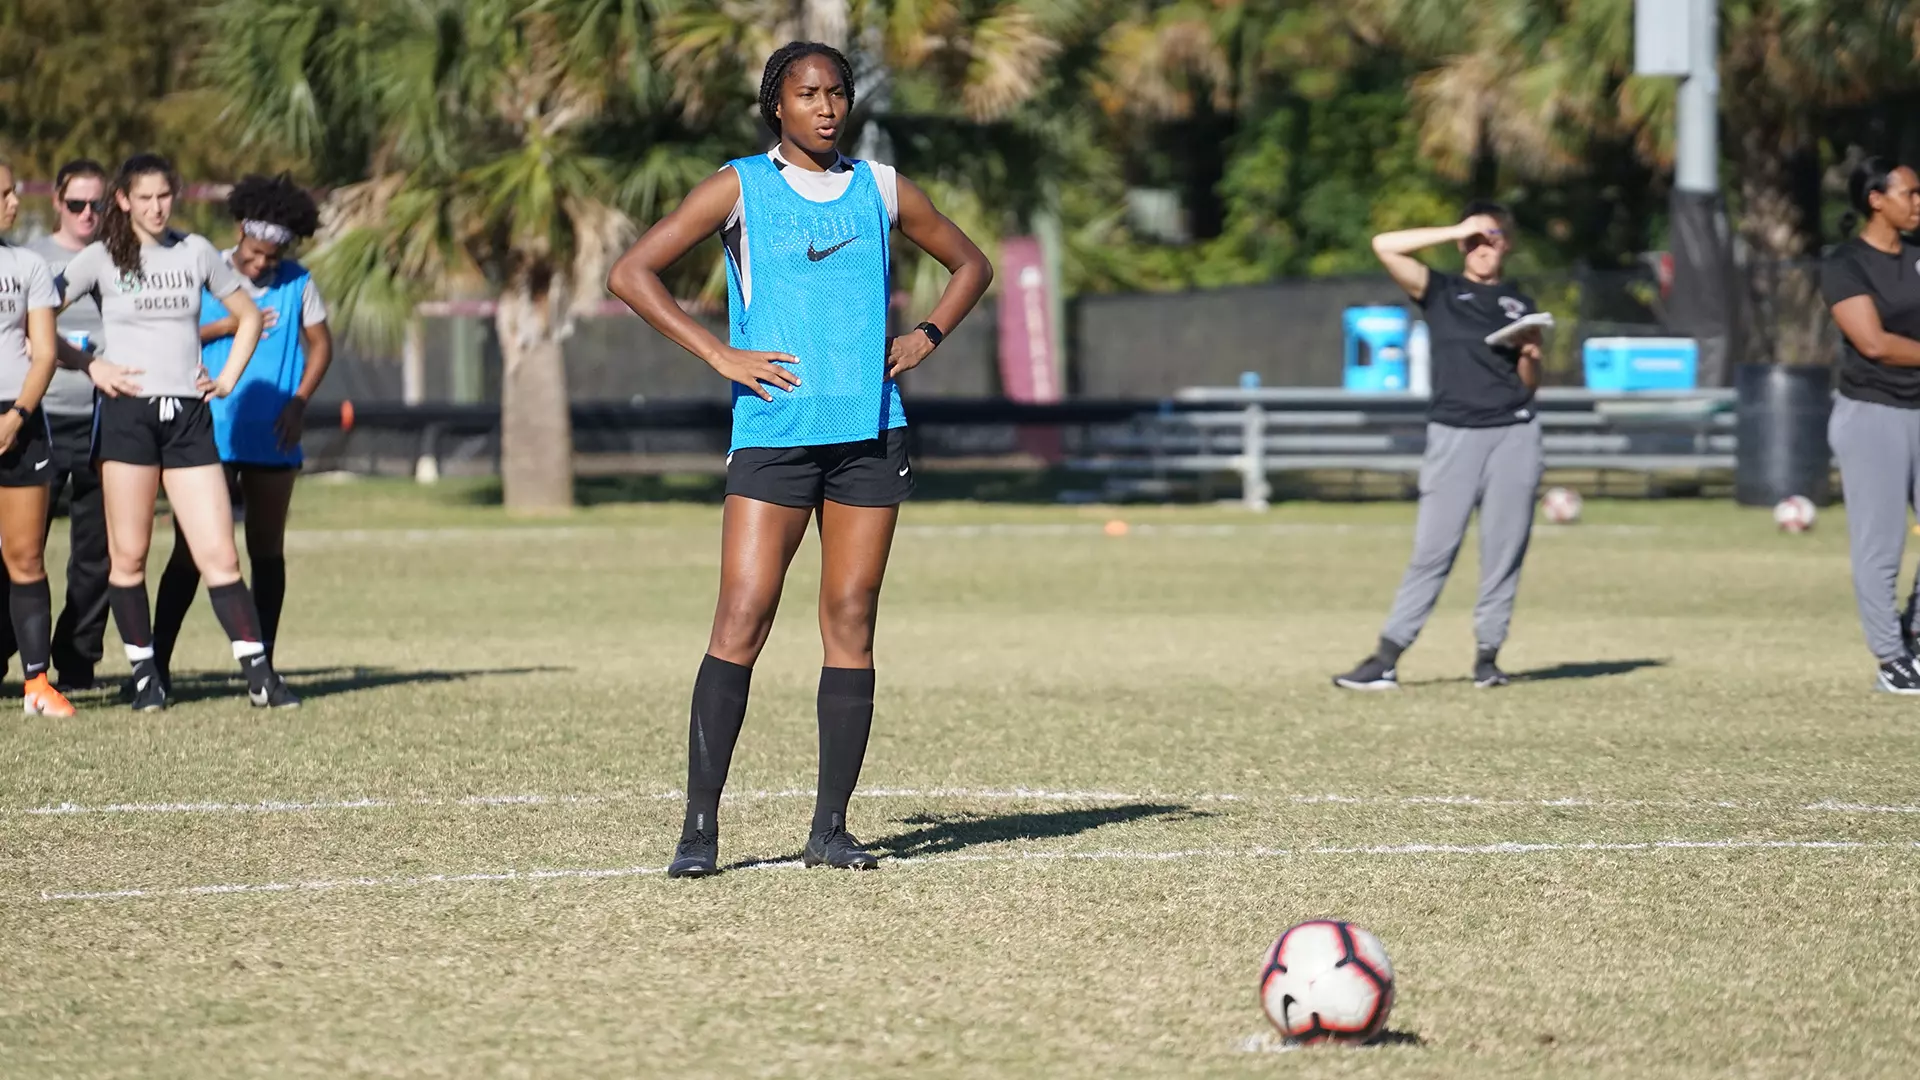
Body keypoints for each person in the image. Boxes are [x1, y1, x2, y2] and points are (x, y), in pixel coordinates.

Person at [607, 41, 992, 877]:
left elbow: (971, 263)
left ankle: (831, 830)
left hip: (868, 435)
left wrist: (926, 335)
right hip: (775, 436)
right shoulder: (738, 186)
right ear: (775, 105)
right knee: (742, 616)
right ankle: (699, 833)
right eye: (806, 93)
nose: (824, 106)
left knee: (850, 618)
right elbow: (631, 273)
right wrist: (718, 355)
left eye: (836, 93)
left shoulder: (883, 188)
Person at [55, 153, 300, 711]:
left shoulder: (196, 252)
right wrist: (90, 365)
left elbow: (250, 317)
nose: (155, 208)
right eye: (143, 198)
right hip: (126, 415)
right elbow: (35, 313)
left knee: (220, 554)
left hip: (188, 416)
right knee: (130, 555)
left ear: (176, 196)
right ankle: (146, 676)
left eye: (164, 196)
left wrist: (228, 378)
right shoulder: (98, 257)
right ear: (123, 200)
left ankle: (260, 676)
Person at [1332, 202, 1545, 692]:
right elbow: (1383, 245)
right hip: (1454, 434)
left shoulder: (1519, 302)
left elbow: (1530, 384)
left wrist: (1531, 356)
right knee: (1433, 550)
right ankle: (1386, 658)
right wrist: (1458, 227)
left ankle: (1488, 658)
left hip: (1515, 431)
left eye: (1490, 239)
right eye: (1472, 241)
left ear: (1506, 245)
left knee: (1503, 549)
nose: (1481, 248)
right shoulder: (1442, 291)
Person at [150, 174, 332, 685]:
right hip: (207, 432)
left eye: (271, 257)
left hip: (271, 434)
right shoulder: (206, 273)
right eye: (254, 252)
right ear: (239, 235)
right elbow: (172, 331)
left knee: (266, 549)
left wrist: (298, 402)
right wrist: (230, 325)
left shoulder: (298, 282)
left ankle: (263, 666)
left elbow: (322, 346)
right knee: (191, 551)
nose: (260, 264)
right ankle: (156, 666)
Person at [5, 159, 111, 691]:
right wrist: (88, 358)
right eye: (77, 204)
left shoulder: (121, 260)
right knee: (19, 549)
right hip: (42, 414)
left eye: (98, 204)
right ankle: (13, 652)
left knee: (95, 552)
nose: (88, 213)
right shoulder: (36, 260)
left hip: (95, 419)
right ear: (59, 203)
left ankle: (76, 662)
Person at [1820, 157, 1920, 693]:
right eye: (1911, 192)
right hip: (1872, 415)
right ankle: (1890, 657)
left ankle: (1917, 633)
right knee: (1880, 544)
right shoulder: (1845, 264)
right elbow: (1874, 344)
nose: (1919, 202)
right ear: (1877, 200)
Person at [0, 161, 78, 715]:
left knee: (26, 557)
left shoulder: (27, 264)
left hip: (20, 421)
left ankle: (36, 685)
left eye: (12, 192)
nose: (12, 202)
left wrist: (17, 415)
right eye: (2, 194)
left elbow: (45, 352)